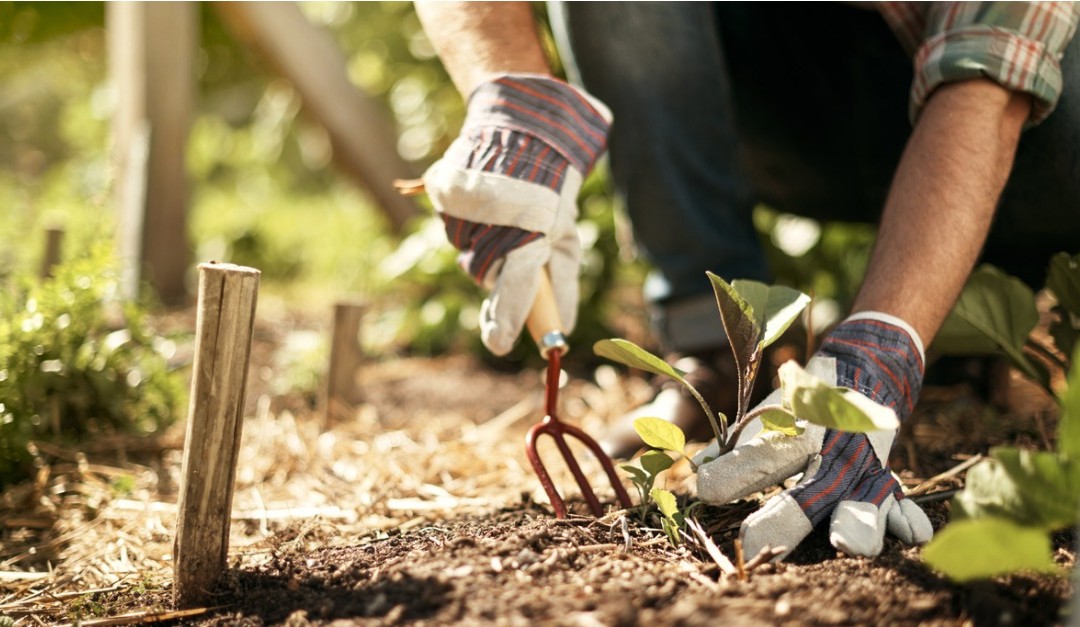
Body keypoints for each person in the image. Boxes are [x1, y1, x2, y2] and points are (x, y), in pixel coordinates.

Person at [413, 1, 1080, 560]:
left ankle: (990, 318)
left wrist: (881, 347)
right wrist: (509, 90)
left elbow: (990, 84)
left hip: (1028, 115)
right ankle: (717, 350)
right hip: (776, 98)